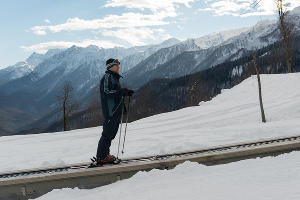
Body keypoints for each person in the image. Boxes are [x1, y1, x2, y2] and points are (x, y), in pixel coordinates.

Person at [96, 58, 134, 164]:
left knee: (111, 134)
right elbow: (107, 91)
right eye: (116, 65)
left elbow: (116, 93)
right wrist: (122, 91)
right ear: (110, 66)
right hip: (110, 111)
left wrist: (125, 92)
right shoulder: (108, 77)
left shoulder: (113, 77)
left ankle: (105, 155)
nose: (118, 67)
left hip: (115, 110)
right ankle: (101, 156)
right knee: (107, 134)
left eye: (118, 65)